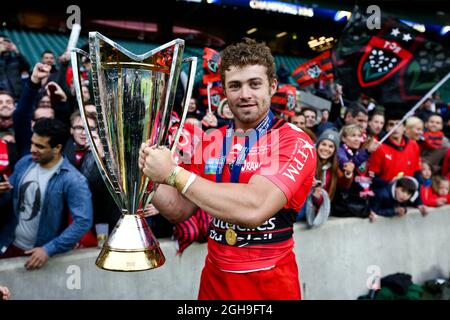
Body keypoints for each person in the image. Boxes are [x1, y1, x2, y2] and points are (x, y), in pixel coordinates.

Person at [139, 38, 316, 300]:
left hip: (268, 282)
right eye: (235, 86)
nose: (245, 94)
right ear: (224, 91)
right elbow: (179, 210)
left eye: (255, 84)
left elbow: (255, 207)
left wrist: (174, 174)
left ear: (273, 86)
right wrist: (148, 171)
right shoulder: (211, 139)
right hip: (214, 281)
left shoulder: (293, 140)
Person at [0, 118, 93, 269]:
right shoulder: (25, 163)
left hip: (40, 255)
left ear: (57, 148)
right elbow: (7, 199)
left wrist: (49, 249)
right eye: (32, 143)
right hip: (9, 245)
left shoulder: (74, 180)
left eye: (40, 146)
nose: (32, 149)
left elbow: (83, 221)